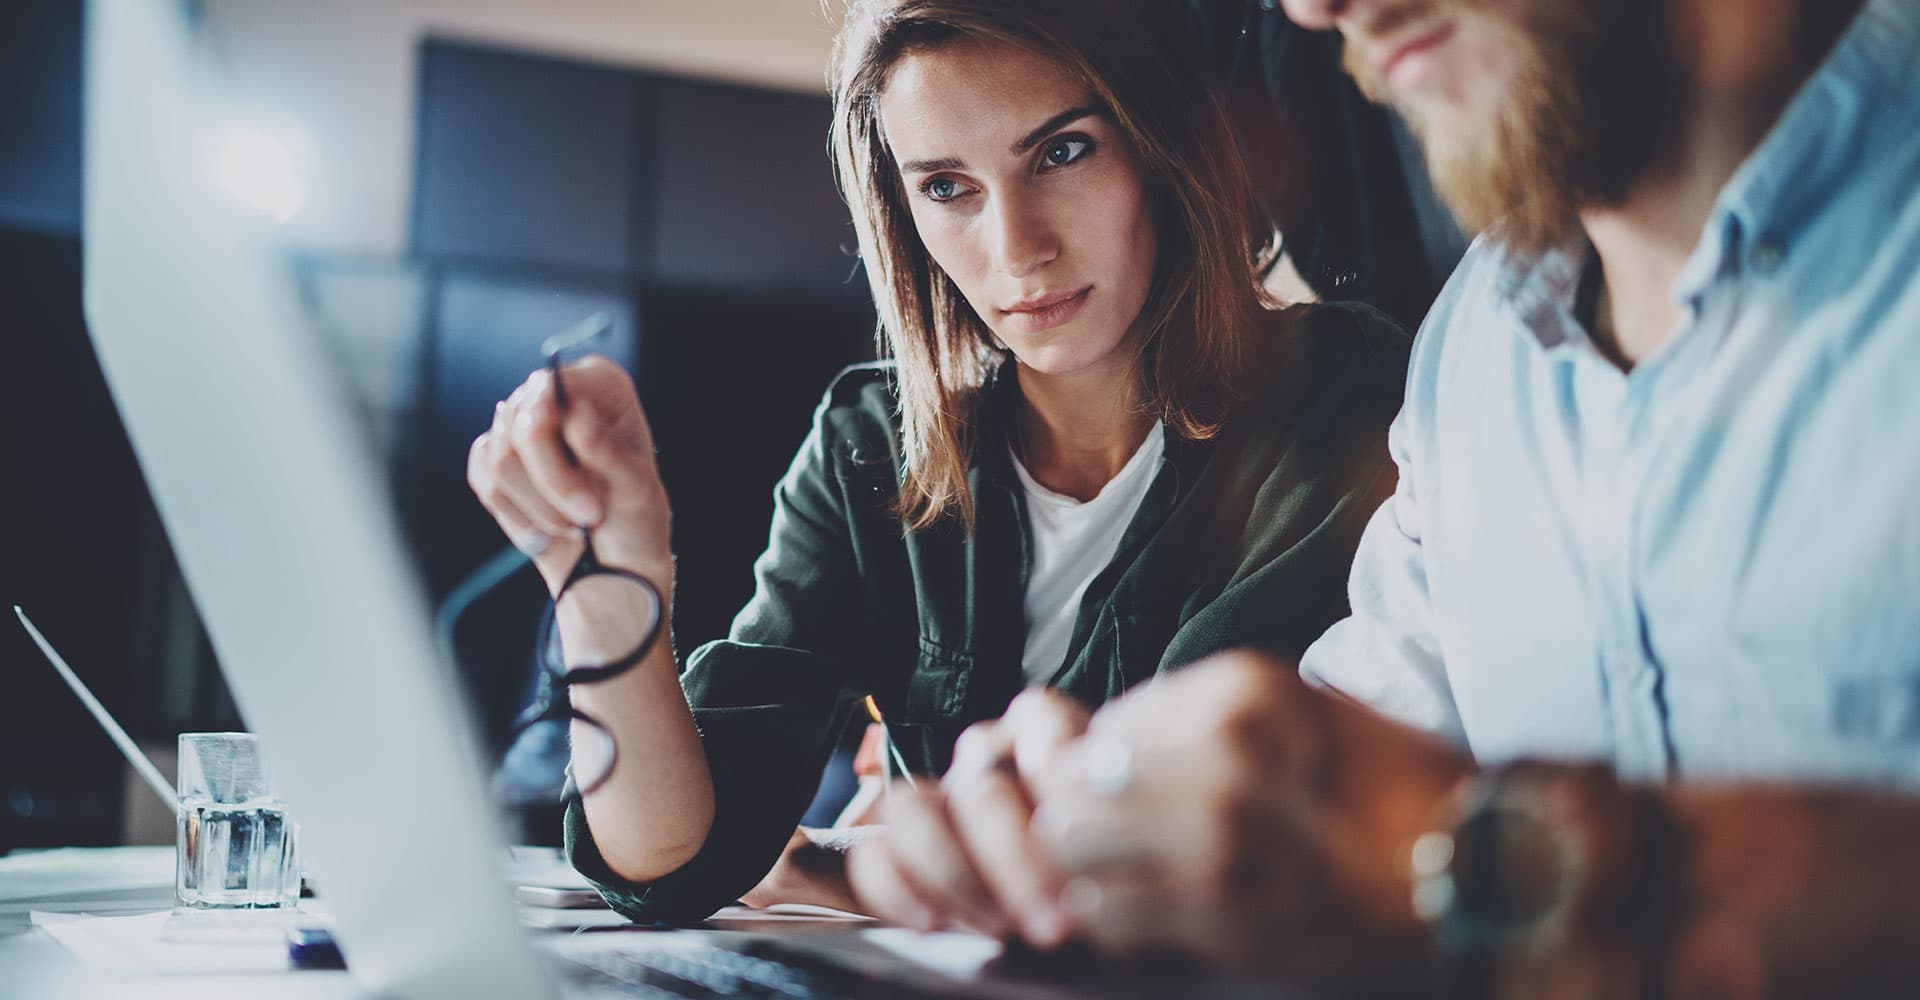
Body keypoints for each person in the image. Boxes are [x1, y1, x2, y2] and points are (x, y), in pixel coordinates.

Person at [848, 0, 1920, 993]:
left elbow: (1409, 840)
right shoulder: (1473, 349)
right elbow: (1337, 763)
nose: (1316, 8)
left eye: (1065, 150)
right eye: (945, 186)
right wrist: (1101, 827)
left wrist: (1504, 862)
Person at [466, 0, 1410, 924]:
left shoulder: (1333, 394)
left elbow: (1155, 826)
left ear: (1163, 145)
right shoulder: (869, 445)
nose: (1018, 248)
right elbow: (667, 861)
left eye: (1064, 151)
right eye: (947, 187)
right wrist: (602, 581)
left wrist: (842, 869)